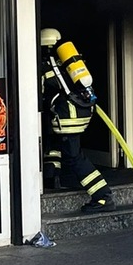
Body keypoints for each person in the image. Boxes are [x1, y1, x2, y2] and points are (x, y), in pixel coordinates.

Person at [40, 28, 115, 213]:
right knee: (55, 145)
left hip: (67, 117)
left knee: (74, 157)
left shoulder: (45, 66)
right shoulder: (66, 63)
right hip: (77, 113)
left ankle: (103, 197)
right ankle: (51, 177)